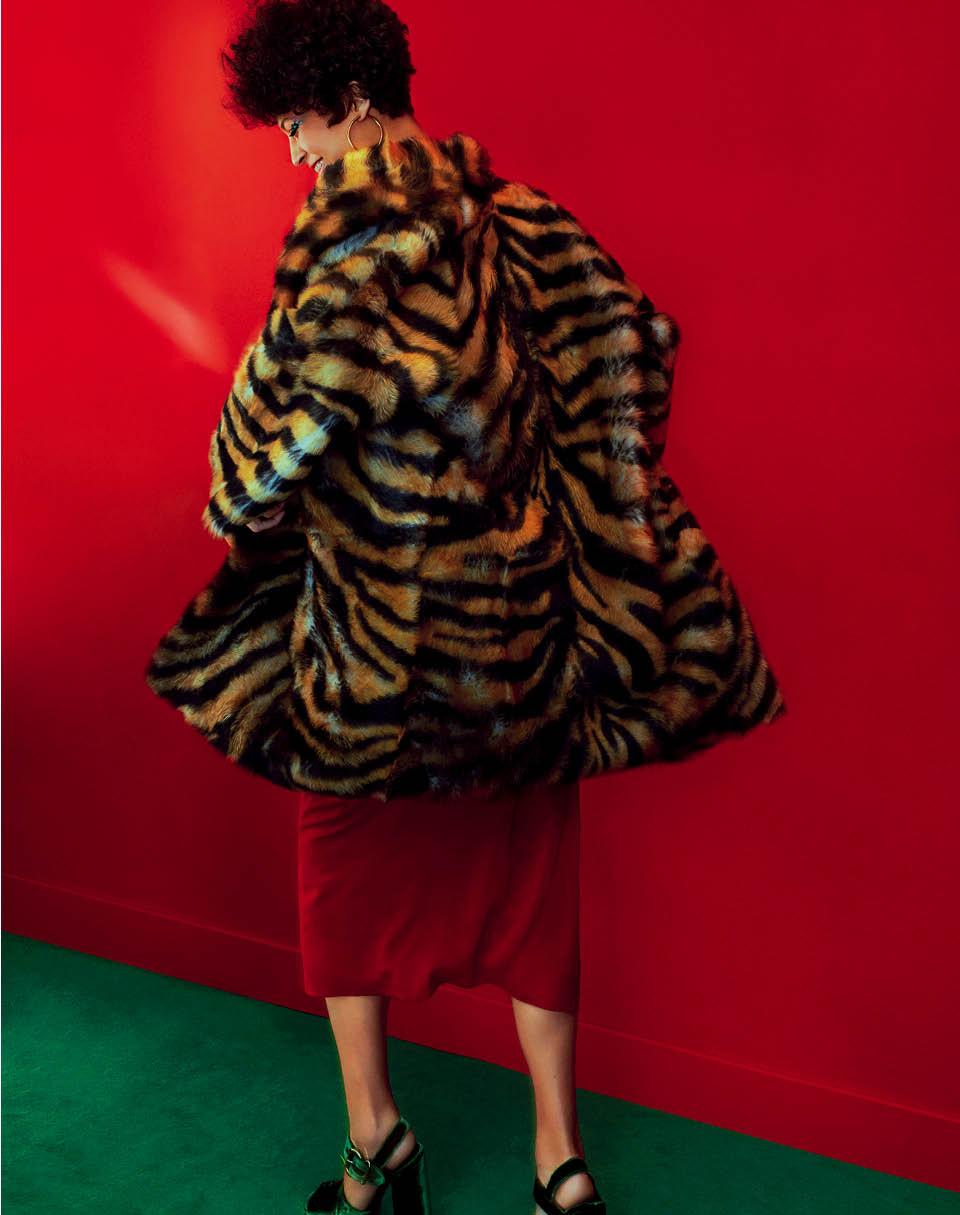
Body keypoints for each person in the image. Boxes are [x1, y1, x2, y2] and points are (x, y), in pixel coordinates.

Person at [145, 0, 787, 1212]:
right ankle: (560, 1157)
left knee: (342, 873)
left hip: (376, 647)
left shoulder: (349, 238)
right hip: (520, 637)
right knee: (532, 879)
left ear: (346, 103)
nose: (293, 152)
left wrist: (250, 496)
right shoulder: (523, 214)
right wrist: (572, 493)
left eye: (295, 124)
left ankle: (375, 1140)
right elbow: (634, 346)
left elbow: (269, 450)